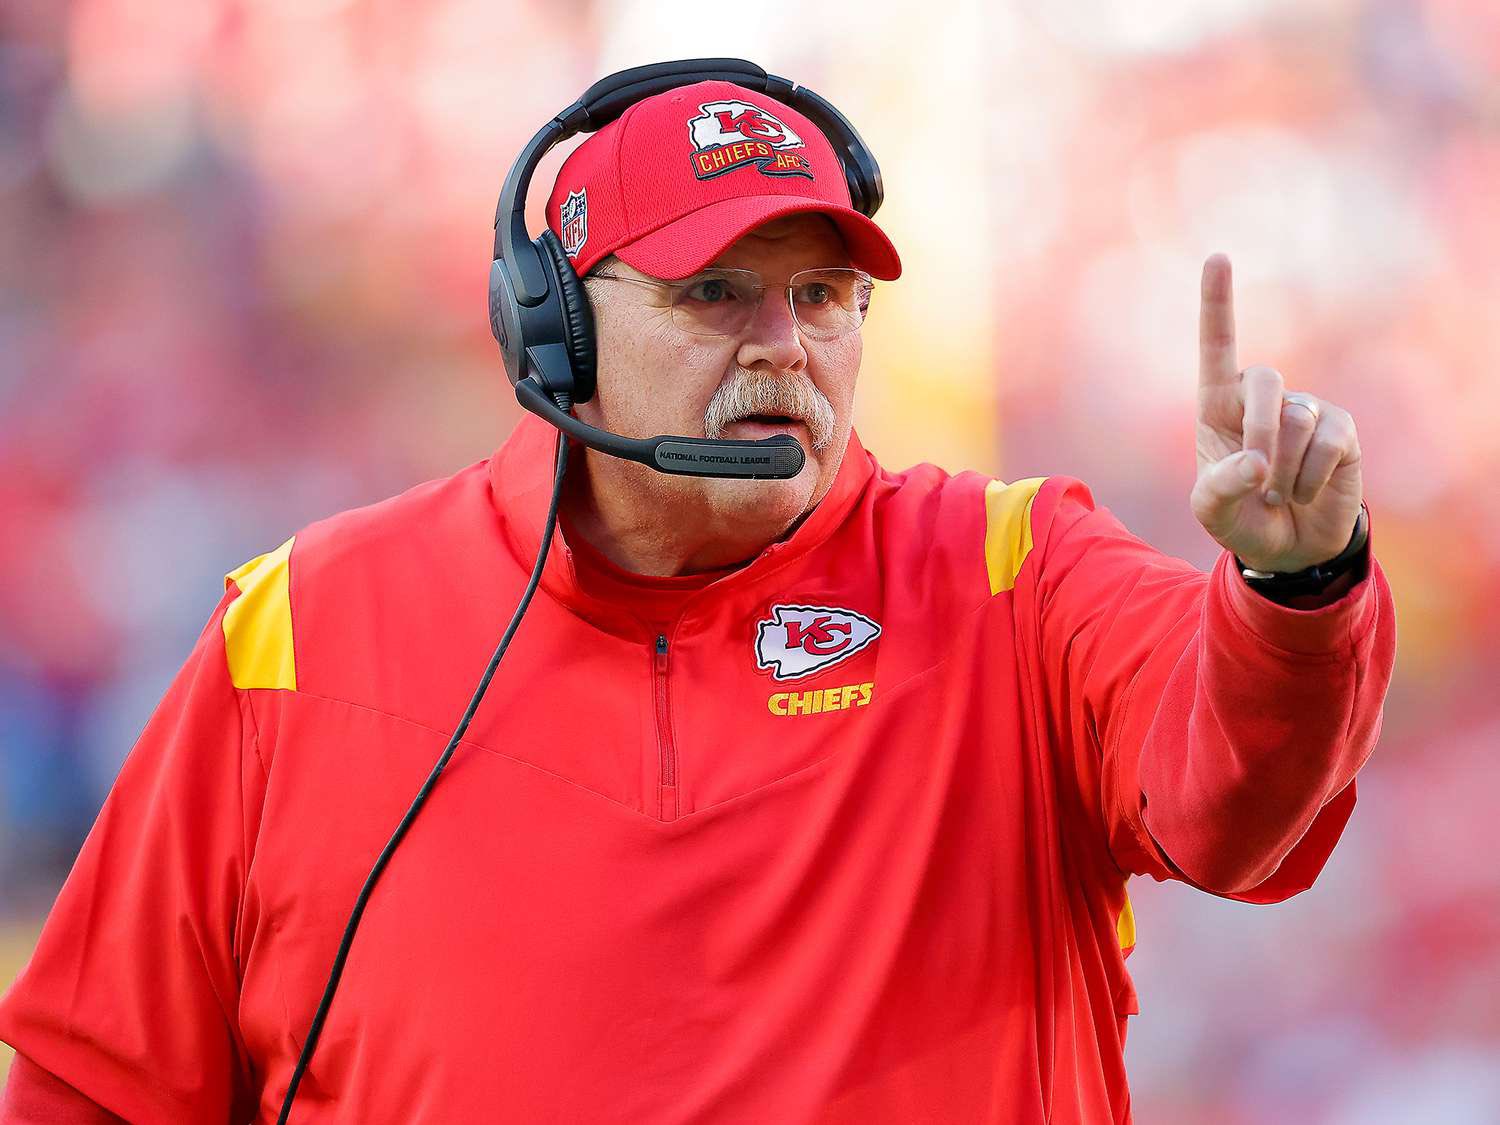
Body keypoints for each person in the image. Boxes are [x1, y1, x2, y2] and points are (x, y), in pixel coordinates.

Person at [0, 73, 1395, 1124]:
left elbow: (1236, 808)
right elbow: (93, 1082)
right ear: (553, 326)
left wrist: (1296, 584)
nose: (785, 346)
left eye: (823, 295)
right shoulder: (298, 630)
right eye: (717, 292)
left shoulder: (1012, 574)